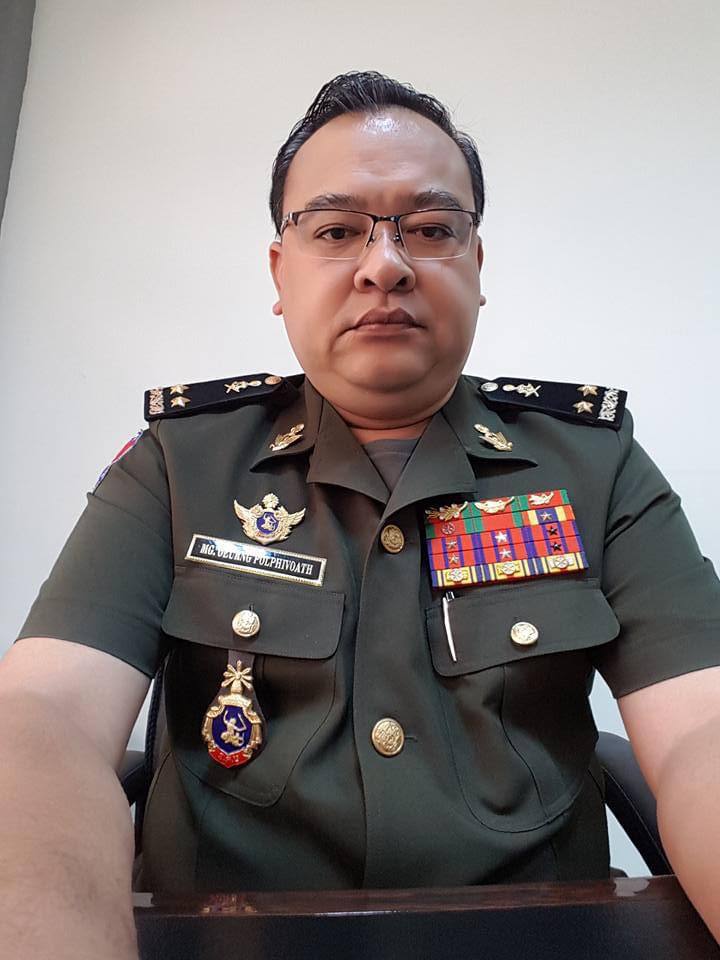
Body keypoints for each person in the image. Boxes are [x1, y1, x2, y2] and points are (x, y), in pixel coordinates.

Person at [2, 71, 720, 958]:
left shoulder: (593, 464)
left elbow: (702, 727)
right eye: (337, 231)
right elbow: (46, 717)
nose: (385, 265)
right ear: (281, 271)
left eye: (432, 229)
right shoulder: (180, 464)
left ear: (478, 267)